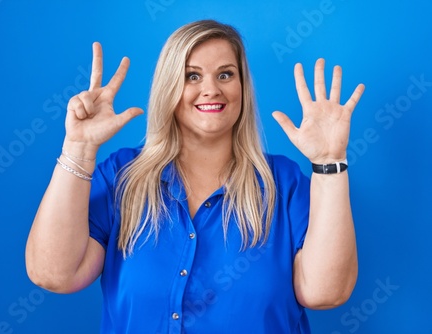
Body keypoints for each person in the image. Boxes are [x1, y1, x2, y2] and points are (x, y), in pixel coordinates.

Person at [25, 19, 364, 333]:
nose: (211, 89)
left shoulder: (284, 183)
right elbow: (54, 275)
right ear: (169, 86)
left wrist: (330, 160)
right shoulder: (121, 177)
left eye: (226, 75)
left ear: (243, 88)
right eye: (192, 75)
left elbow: (325, 292)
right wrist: (79, 148)